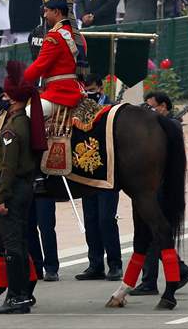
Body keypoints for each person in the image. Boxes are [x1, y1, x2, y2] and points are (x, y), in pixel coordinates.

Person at [130, 91, 188, 296]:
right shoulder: (151, 129)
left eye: (152, 107)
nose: (149, 111)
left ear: (164, 107)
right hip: (153, 186)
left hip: (162, 188)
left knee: (154, 234)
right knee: (153, 235)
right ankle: (175, 271)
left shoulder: (170, 126)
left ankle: (153, 280)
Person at [0, 61, 39, 314]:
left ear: (16, 99)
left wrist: (0, 197)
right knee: (20, 242)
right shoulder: (24, 122)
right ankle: (22, 295)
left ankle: (17, 296)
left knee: (12, 247)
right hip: (24, 188)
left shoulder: (12, 129)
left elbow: (7, 168)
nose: (5, 97)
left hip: (12, 190)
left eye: (8, 94)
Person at [73, 74, 123, 282]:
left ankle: (115, 264)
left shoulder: (111, 110)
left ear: (100, 88)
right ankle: (95, 263)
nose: (88, 94)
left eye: (91, 89)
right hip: (87, 172)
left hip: (108, 173)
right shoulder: (80, 111)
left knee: (106, 219)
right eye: (85, 90)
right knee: (91, 220)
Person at [23, 0, 85, 117]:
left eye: (46, 11)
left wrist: (18, 82)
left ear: (56, 12)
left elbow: (37, 68)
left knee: (24, 116)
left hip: (60, 94)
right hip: (77, 90)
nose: (44, 15)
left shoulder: (54, 37)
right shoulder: (78, 36)